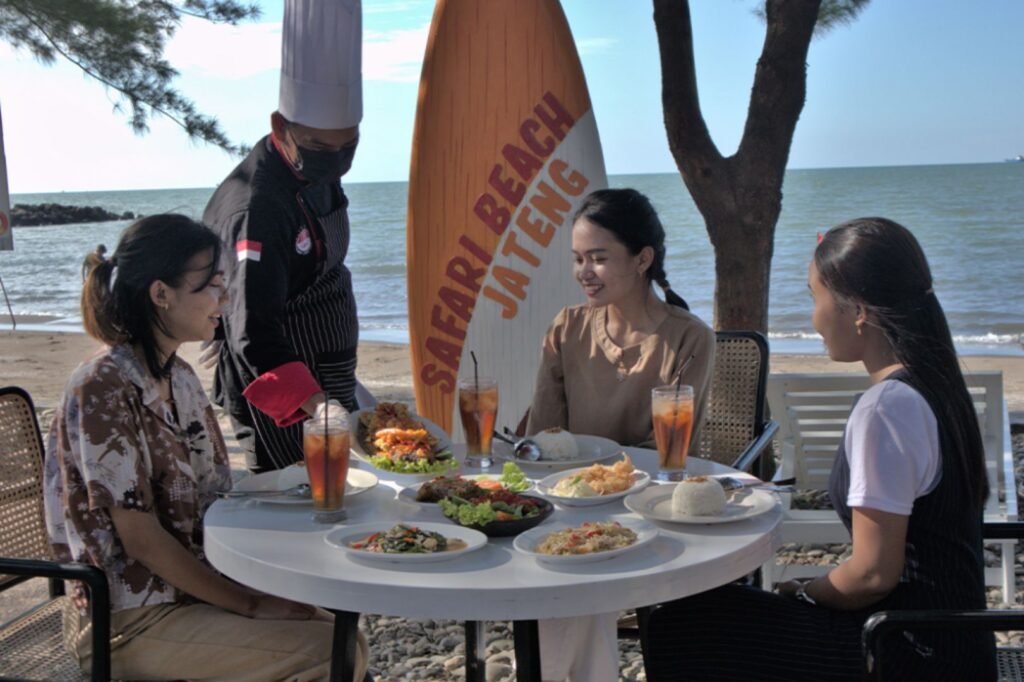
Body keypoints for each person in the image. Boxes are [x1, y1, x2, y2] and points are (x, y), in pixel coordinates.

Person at [643, 217, 996, 681]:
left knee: (679, 621)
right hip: (955, 643)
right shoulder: (936, 385)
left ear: (858, 311)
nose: (813, 316)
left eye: (816, 297)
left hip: (907, 651)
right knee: (716, 613)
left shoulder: (886, 408)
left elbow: (872, 575)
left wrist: (807, 591)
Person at [44, 214, 369, 681]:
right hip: (127, 618)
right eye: (214, 286)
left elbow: (215, 495)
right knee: (328, 653)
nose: (226, 298)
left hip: (184, 591)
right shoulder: (102, 386)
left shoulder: (177, 376)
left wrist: (299, 484)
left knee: (344, 632)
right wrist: (250, 604)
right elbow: (140, 538)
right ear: (162, 294)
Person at [527, 188, 715, 682]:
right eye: (577, 259)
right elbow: (544, 441)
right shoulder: (566, 329)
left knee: (575, 582)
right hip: (570, 505)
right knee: (572, 574)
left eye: (599, 258)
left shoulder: (689, 338)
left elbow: (673, 451)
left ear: (642, 259)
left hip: (651, 506)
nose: (584, 272)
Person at [204, 0, 364, 473]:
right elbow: (251, 331)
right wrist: (317, 404)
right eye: (318, 147)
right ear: (281, 127)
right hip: (283, 387)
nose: (333, 162)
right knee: (302, 497)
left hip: (329, 364)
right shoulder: (256, 209)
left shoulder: (315, 163)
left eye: (348, 145)